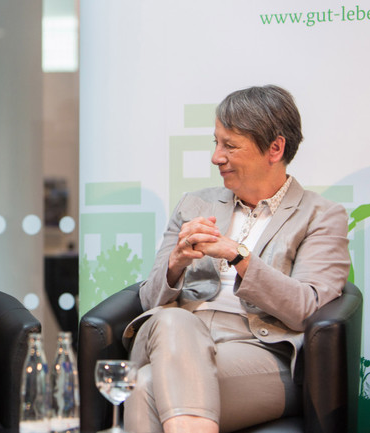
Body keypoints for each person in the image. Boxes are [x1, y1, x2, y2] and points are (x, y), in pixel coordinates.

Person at [122, 85, 350, 433]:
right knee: (173, 323)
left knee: (145, 385)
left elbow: (306, 307)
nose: (216, 156)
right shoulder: (194, 205)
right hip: (174, 337)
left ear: (275, 148)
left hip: (258, 352)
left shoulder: (320, 215)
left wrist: (238, 255)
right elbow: (150, 299)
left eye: (229, 145)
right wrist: (175, 264)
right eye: (216, 142)